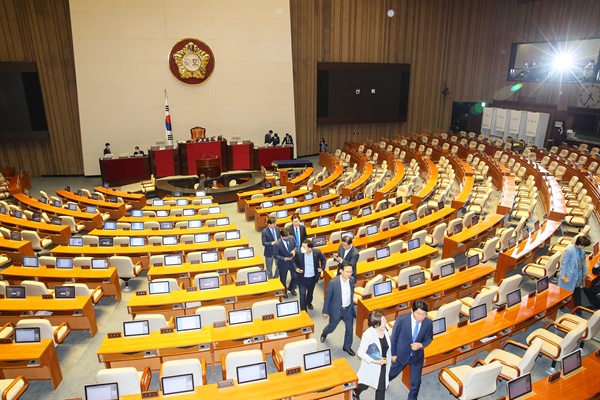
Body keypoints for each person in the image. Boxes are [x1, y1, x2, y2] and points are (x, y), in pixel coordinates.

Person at [389, 299, 433, 400]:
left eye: (424, 314)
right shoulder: (401, 320)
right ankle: (383, 384)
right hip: (401, 354)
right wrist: (393, 354)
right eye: (418, 314)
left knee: (416, 382)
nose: (421, 317)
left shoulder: (428, 322)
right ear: (412, 311)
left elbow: (429, 338)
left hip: (417, 357)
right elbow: (394, 338)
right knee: (392, 374)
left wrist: (421, 345)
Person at [354, 309, 392, 400]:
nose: (385, 323)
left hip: (383, 364)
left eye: (385, 321)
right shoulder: (368, 334)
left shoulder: (386, 329)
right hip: (371, 364)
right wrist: (375, 361)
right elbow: (360, 352)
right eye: (382, 322)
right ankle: (356, 392)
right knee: (365, 384)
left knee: (381, 388)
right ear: (375, 324)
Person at [321, 262, 355, 356]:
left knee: (349, 329)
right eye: (347, 272)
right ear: (341, 271)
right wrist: (325, 311)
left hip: (348, 309)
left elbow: (351, 294)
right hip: (336, 310)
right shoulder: (333, 282)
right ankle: (324, 332)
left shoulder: (352, 280)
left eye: (351, 272)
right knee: (331, 327)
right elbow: (327, 298)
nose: (349, 274)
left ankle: (347, 347)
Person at [559, 235, 592, 314]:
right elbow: (564, 263)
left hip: (578, 276)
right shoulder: (569, 250)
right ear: (580, 244)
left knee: (577, 293)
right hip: (569, 275)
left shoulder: (581, 251)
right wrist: (562, 275)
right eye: (584, 246)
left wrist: (586, 272)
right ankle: (561, 307)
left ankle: (578, 310)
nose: (584, 247)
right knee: (565, 293)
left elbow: (583, 262)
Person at [293, 239, 326, 311]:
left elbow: (323, 259)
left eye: (304, 247)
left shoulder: (317, 252)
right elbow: (294, 262)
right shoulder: (298, 253)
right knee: (302, 295)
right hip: (302, 278)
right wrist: (296, 268)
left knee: (310, 292)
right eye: (302, 246)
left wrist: (322, 268)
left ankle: (309, 303)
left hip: (312, 278)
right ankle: (304, 311)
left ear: (310, 248)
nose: (302, 248)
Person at [273, 228, 297, 298]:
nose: (287, 238)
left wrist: (294, 250)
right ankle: (285, 292)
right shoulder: (277, 244)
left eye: (288, 236)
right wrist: (284, 258)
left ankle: (291, 288)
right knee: (283, 279)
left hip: (292, 262)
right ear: (281, 236)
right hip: (283, 264)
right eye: (285, 237)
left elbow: (296, 246)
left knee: (295, 276)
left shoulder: (292, 238)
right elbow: (276, 255)